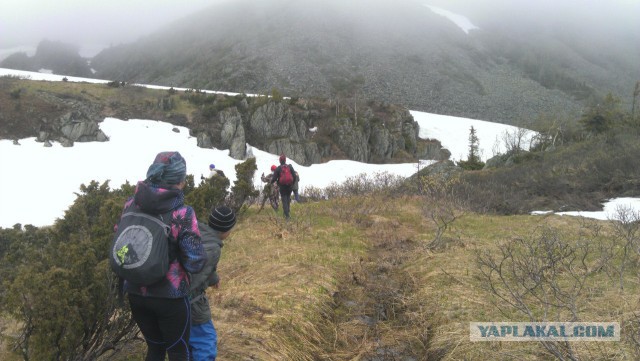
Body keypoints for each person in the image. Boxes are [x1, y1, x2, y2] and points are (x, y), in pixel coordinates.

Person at [116, 151, 206, 361]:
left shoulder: (131, 203)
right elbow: (195, 261)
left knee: (155, 350)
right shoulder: (183, 213)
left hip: (135, 291)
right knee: (177, 352)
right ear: (181, 181)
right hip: (170, 296)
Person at [189, 206, 237, 361]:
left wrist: (214, 278)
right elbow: (194, 278)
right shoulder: (213, 247)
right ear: (226, 230)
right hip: (191, 303)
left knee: (188, 343)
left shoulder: (198, 232)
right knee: (205, 341)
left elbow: (200, 267)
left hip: (176, 302)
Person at [271, 154, 296, 219]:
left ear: (280, 161)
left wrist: (271, 183)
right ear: (285, 160)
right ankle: (287, 213)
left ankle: (287, 216)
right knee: (288, 199)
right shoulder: (290, 166)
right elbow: (294, 175)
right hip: (290, 186)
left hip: (282, 187)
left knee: (284, 200)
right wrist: (292, 183)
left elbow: (274, 178)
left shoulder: (278, 168)